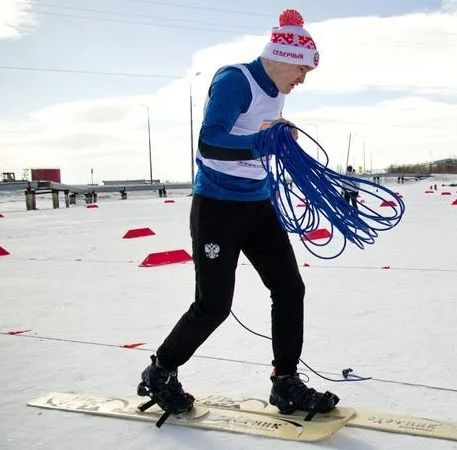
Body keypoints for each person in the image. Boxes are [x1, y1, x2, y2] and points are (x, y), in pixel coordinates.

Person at [136, 9, 340, 421]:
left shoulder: (276, 90)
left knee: (289, 289)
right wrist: (262, 143)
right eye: (301, 71)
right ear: (282, 57)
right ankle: (160, 371)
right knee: (213, 306)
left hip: (257, 205)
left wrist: (281, 131)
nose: (301, 81)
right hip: (217, 208)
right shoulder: (236, 80)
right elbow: (210, 142)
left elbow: (257, 132)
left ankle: (285, 382)